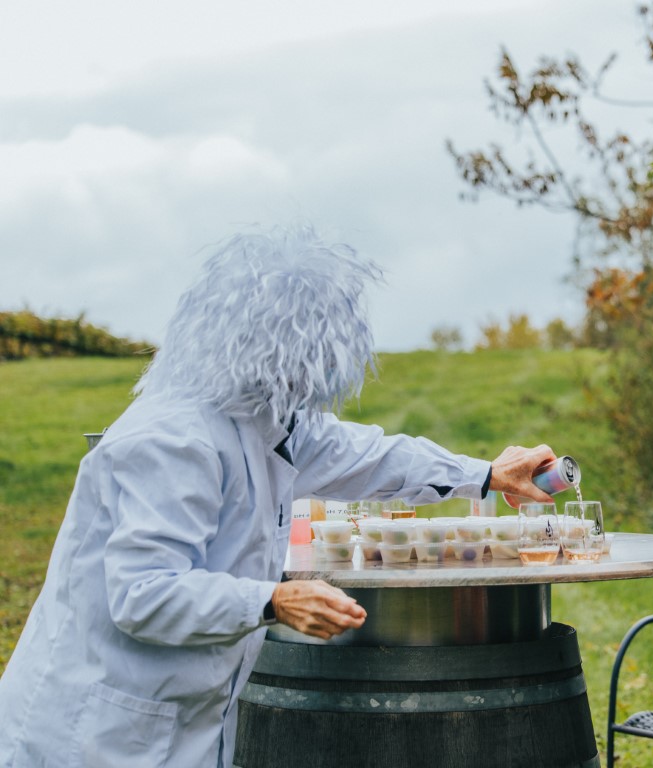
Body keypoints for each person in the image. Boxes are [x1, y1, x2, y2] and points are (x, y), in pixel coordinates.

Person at [0, 224, 558, 768]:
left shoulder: (267, 421)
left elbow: (373, 455)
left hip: (176, 723)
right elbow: (144, 594)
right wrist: (273, 601)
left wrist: (487, 473)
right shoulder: (172, 438)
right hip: (95, 730)